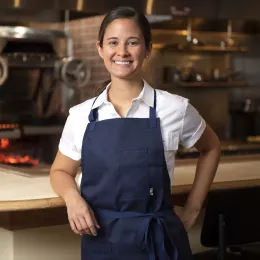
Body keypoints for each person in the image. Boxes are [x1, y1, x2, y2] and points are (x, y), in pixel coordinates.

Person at [50, 6, 221, 260]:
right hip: (101, 243)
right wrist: (73, 199)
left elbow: (211, 147)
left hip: (160, 242)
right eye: (113, 42)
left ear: (148, 49)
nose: (122, 52)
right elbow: (60, 171)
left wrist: (193, 209)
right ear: (101, 49)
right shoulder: (80, 116)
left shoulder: (175, 108)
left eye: (133, 42)